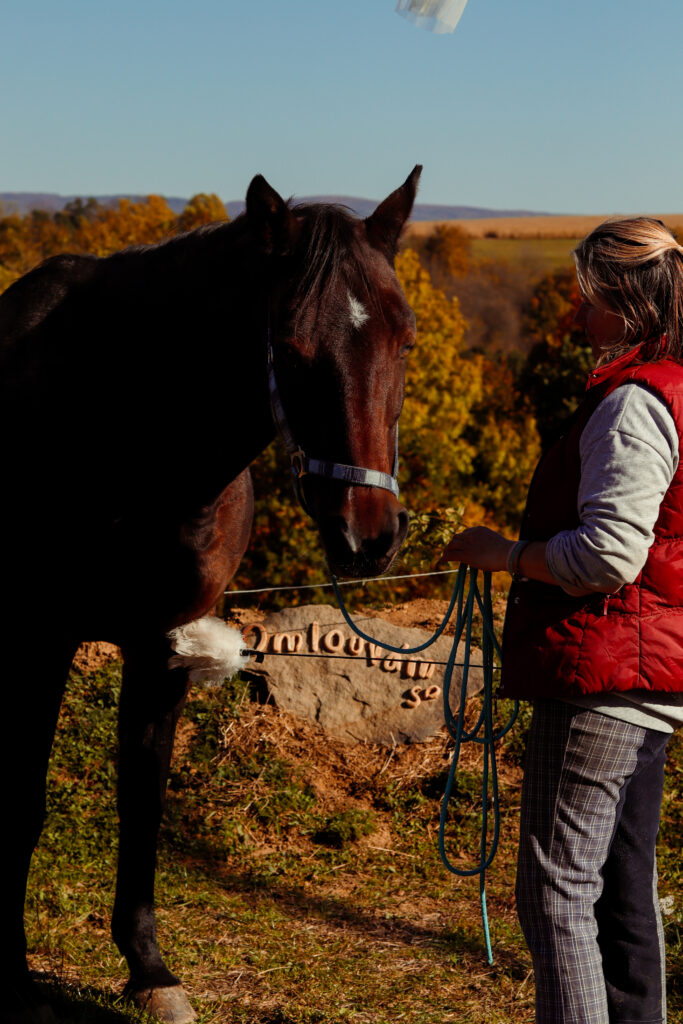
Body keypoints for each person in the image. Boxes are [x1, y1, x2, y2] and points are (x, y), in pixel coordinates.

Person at [440, 217, 683, 1024]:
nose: (574, 314)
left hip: (602, 675)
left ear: (630, 304)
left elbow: (608, 556)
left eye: (587, 299)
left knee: (555, 891)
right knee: (620, 884)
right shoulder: (674, 389)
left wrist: (503, 555)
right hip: (647, 674)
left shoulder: (632, 405)